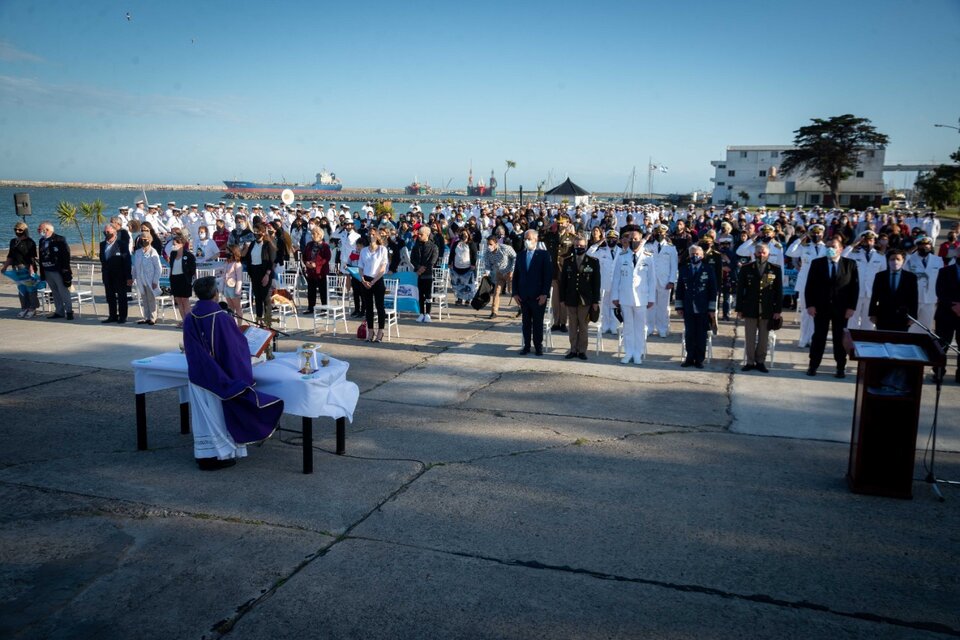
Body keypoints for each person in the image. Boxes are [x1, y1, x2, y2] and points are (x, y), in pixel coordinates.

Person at [183, 276, 283, 470]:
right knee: (218, 418)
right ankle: (217, 456)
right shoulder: (221, 318)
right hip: (218, 378)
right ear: (215, 294)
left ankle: (204, 454)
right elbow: (234, 349)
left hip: (198, 375)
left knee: (204, 419)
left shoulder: (190, 317)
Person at [805, 236, 859, 378]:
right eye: (828, 246)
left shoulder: (850, 264)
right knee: (818, 337)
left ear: (841, 249)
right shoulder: (817, 263)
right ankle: (813, 365)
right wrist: (810, 305)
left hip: (841, 309)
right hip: (820, 307)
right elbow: (810, 286)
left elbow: (854, 288)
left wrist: (851, 307)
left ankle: (840, 367)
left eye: (833, 246)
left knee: (839, 338)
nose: (830, 249)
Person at [611, 227, 657, 365]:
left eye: (636, 239)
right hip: (625, 297)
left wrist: (651, 298)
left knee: (640, 327)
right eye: (631, 239)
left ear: (641, 240)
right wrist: (615, 296)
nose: (633, 241)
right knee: (628, 327)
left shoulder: (648, 257)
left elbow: (652, 280)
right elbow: (616, 278)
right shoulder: (622, 256)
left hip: (642, 298)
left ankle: (638, 353)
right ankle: (628, 352)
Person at [736, 242, 782, 373]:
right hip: (750, 308)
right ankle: (750, 362)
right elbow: (740, 290)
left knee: (763, 338)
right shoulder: (746, 268)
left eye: (764, 252)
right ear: (754, 253)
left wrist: (778, 310)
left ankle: (760, 361)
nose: (761, 254)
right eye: (759, 252)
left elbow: (778, 292)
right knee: (749, 338)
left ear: (768, 254)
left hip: (767, 309)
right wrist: (739, 308)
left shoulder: (775, 269)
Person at [559, 234, 601, 360]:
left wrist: (595, 301)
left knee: (583, 325)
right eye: (577, 245)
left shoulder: (593, 262)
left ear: (586, 246)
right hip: (570, 299)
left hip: (585, 299)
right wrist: (561, 299)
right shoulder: (567, 261)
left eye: (581, 246)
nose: (579, 248)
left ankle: (582, 350)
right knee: (572, 325)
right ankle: (573, 349)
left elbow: (596, 283)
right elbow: (563, 283)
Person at [675, 245, 717, 369]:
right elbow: (680, 290)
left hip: (703, 308)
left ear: (702, 256)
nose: (695, 256)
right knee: (690, 334)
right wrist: (679, 306)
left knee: (701, 334)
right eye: (692, 254)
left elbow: (712, 290)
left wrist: (711, 309)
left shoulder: (708, 269)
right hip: (688, 307)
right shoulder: (684, 269)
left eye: (697, 253)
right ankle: (689, 357)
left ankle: (699, 359)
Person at [512, 229, 553, 356]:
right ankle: (526, 346)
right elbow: (516, 276)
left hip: (538, 296)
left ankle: (538, 346)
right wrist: (515, 293)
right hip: (523, 296)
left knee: (537, 323)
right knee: (526, 323)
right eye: (525, 239)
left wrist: (544, 294)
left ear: (536, 240)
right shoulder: (520, 255)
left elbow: (547, 276)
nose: (526, 241)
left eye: (529, 239)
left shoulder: (543, 255)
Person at [785, 224, 826, 347]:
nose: (816, 235)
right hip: (805, 284)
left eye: (819, 233)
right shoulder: (804, 247)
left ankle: (814, 339)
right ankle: (803, 339)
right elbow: (789, 252)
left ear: (822, 234)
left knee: (817, 314)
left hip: (821, 285)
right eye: (813, 233)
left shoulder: (827, 248)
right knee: (805, 313)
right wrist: (801, 237)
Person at [843, 230, 886, 330]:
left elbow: (883, 275)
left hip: (872, 293)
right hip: (856, 292)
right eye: (865, 240)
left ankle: (866, 342)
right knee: (852, 319)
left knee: (869, 320)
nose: (868, 242)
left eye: (871, 240)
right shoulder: (854, 254)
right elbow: (842, 257)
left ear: (874, 241)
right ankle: (851, 342)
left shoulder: (880, 256)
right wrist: (853, 244)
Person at [868, 250, 918, 332]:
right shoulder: (880, 276)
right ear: (888, 261)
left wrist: (913, 316)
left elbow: (914, 298)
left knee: (899, 341)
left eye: (898, 259)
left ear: (903, 261)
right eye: (892, 259)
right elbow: (874, 296)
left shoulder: (911, 277)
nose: (895, 261)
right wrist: (872, 314)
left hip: (902, 317)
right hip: (883, 316)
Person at [645, 224, 678, 338]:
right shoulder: (648, 246)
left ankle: (662, 328)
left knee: (663, 307)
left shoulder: (671, 248)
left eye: (661, 233)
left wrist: (672, 280)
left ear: (665, 234)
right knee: (650, 305)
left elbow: (674, 265)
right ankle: (649, 327)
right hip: (651, 280)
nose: (659, 235)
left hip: (665, 281)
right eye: (657, 233)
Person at [2, 221, 40, 318]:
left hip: (27, 267)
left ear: (25, 230)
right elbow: (10, 255)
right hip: (17, 268)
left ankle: (33, 308)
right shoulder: (13, 241)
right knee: (21, 289)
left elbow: (32, 257)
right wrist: (5, 266)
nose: (17, 231)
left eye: (20, 230)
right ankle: (24, 307)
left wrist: (31, 269)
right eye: (16, 229)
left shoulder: (30, 242)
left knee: (30, 288)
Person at [36, 221, 73, 320]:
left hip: (58, 270)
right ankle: (59, 311)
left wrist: (65, 270)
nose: (39, 231)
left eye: (40, 229)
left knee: (63, 291)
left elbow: (66, 255)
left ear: (47, 230)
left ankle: (69, 311)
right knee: (54, 292)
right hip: (47, 270)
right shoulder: (41, 241)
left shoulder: (59, 239)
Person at [905, 236, 943, 332]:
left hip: (930, 298)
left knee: (926, 326)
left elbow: (940, 280)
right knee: (910, 324)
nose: (925, 247)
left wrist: (940, 296)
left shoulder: (938, 260)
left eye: (928, 245)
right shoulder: (909, 259)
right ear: (917, 246)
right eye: (922, 245)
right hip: (913, 298)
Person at [242, 222, 276, 326]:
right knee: (258, 298)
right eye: (255, 232)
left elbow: (272, 261)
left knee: (266, 298)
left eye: (258, 232)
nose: (256, 234)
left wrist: (267, 274)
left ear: (263, 232)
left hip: (265, 272)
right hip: (254, 272)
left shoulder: (267, 245)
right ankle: (259, 321)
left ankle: (268, 321)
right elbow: (248, 258)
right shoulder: (252, 244)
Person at [99, 222, 133, 324]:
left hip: (120, 275)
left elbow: (127, 261)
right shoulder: (102, 244)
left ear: (114, 231)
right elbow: (102, 260)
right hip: (107, 275)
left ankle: (123, 316)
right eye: (105, 232)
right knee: (110, 296)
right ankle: (112, 316)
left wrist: (128, 277)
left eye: (108, 231)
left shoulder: (121, 244)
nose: (106, 233)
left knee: (122, 297)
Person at [359, 228, 389, 342]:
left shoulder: (382, 250)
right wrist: (362, 280)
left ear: (377, 236)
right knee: (368, 307)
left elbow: (383, 268)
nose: (371, 236)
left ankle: (380, 332)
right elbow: (360, 267)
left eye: (373, 234)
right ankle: (370, 331)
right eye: (369, 234)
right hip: (365, 279)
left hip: (377, 280)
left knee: (380, 307)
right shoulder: (364, 250)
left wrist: (374, 281)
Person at [933, 258, 960, 383]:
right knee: (942, 345)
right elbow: (939, 291)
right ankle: (938, 373)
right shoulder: (944, 271)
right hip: (946, 313)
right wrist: (952, 305)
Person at [482, 234, 516, 318]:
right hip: (499, 273)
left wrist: (512, 270)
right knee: (496, 292)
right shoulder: (487, 253)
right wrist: (486, 272)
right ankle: (494, 312)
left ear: (496, 244)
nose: (489, 246)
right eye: (488, 244)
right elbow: (487, 265)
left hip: (509, 272)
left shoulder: (505, 248)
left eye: (491, 244)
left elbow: (515, 257)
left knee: (513, 292)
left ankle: (521, 307)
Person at [132, 228, 162, 325]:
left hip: (150, 280)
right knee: (144, 298)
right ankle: (146, 317)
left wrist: (155, 281)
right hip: (141, 279)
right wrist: (133, 277)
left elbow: (158, 268)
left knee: (151, 298)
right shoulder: (138, 252)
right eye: (142, 238)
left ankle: (153, 318)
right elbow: (135, 267)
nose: (144, 240)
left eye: (146, 239)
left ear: (150, 240)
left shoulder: (153, 252)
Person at [410, 225, 440, 323]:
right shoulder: (416, 246)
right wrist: (418, 267)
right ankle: (421, 313)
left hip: (428, 274)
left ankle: (428, 313)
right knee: (420, 294)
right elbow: (412, 259)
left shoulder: (433, 246)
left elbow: (433, 260)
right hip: (418, 274)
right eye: (418, 234)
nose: (419, 236)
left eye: (421, 234)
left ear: (426, 235)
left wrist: (423, 268)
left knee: (428, 295)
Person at [168, 233, 197, 327]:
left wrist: (189, 276)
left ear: (181, 244)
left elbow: (192, 269)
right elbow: (171, 266)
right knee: (179, 301)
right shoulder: (172, 254)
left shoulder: (189, 255)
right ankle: (184, 320)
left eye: (175, 244)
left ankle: (189, 322)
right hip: (174, 279)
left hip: (184, 279)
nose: (173, 246)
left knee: (185, 300)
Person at [301, 227, 332, 314]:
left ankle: (324, 308)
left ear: (320, 235)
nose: (312, 235)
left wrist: (317, 264)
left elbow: (327, 258)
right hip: (310, 271)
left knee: (323, 290)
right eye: (312, 233)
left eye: (314, 234)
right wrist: (306, 263)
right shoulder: (309, 244)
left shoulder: (325, 246)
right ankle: (311, 308)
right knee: (311, 290)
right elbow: (304, 256)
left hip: (321, 271)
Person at [449, 228, 478, 305]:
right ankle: (459, 299)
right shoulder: (456, 243)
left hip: (468, 267)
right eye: (462, 234)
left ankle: (468, 300)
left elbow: (475, 255)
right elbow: (451, 253)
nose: (464, 236)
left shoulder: (471, 244)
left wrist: (473, 264)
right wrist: (449, 263)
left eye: (465, 234)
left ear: (468, 235)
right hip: (457, 267)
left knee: (468, 284)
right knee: (459, 284)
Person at [221, 245, 245, 324]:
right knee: (230, 308)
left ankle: (239, 325)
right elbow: (224, 276)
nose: (226, 252)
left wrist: (238, 291)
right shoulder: (226, 262)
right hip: (227, 288)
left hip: (233, 288)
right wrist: (222, 288)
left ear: (233, 252)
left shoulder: (237, 264)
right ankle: (232, 324)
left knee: (237, 308)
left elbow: (239, 279)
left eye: (228, 251)